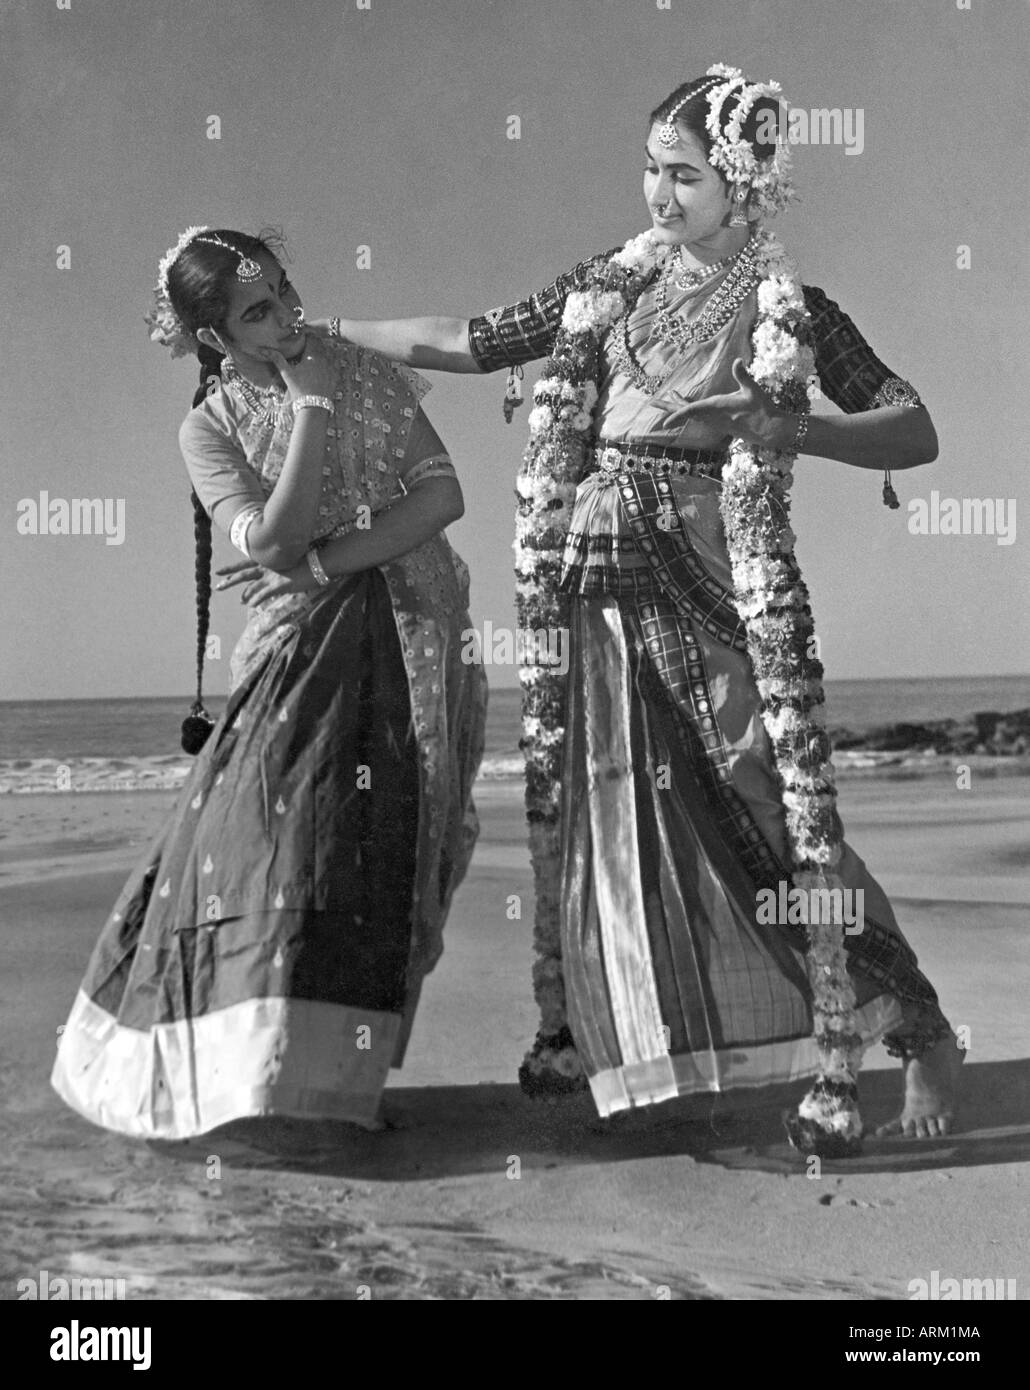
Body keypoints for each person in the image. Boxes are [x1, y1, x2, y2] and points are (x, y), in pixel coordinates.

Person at [312, 68, 963, 1144]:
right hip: (590, 593)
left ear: (742, 179)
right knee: (607, 810)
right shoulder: (603, 290)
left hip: (713, 586)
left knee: (763, 802)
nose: (658, 195)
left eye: (683, 175)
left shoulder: (789, 315)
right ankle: (631, 1051)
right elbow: (469, 341)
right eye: (650, 170)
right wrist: (330, 330)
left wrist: (772, 422)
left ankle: (916, 1036)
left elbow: (911, 426)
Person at [51, 227, 488, 1139]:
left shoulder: (359, 366)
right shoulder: (207, 426)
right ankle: (236, 1076)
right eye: (259, 311)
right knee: (257, 841)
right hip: (295, 653)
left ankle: (340, 1094)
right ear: (214, 336)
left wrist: (325, 566)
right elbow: (271, 543)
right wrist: (312, 412)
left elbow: (441, 500)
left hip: (414, 635)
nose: (287, 316)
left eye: (286, 292)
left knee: (385, 851)